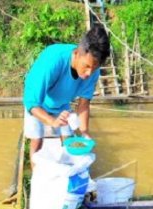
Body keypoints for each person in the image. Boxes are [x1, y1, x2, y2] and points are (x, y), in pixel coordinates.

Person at [23, 24, 110, 161]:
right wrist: (51, 121)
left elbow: (84, 103)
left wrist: (84, 132)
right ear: (77, 53)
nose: (89, 73)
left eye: (94, 68)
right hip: (38, 102)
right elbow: (31, 102)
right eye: (86, 66)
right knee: (37, 141)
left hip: (62, 102)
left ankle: (67, 169)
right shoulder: (52, 60)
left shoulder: (93, 71)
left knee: (68, 138)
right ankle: (36, 177)